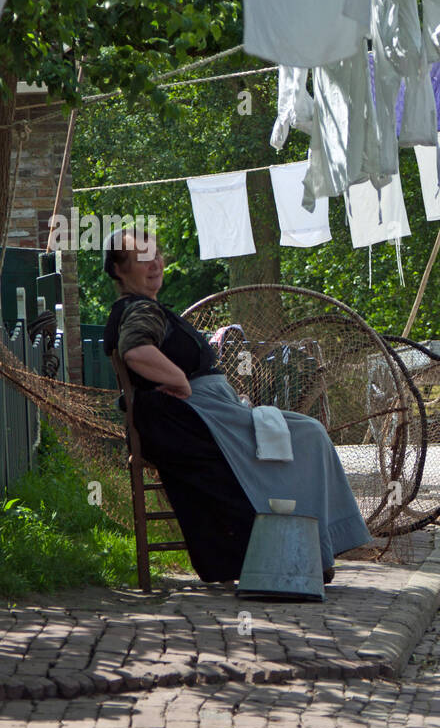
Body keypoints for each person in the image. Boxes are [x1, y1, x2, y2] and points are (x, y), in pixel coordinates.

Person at [101, 227, 371, 584]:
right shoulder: (139, 310)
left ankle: (307, 551)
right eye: (143, 259)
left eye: (158, 256)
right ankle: (300, 552)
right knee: (307, 434)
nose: (156, 265)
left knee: (305, 433)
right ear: (120, 270)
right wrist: (180, 380)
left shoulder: (148, 308)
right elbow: (135, 350)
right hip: (202, 414)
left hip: (212, 409)